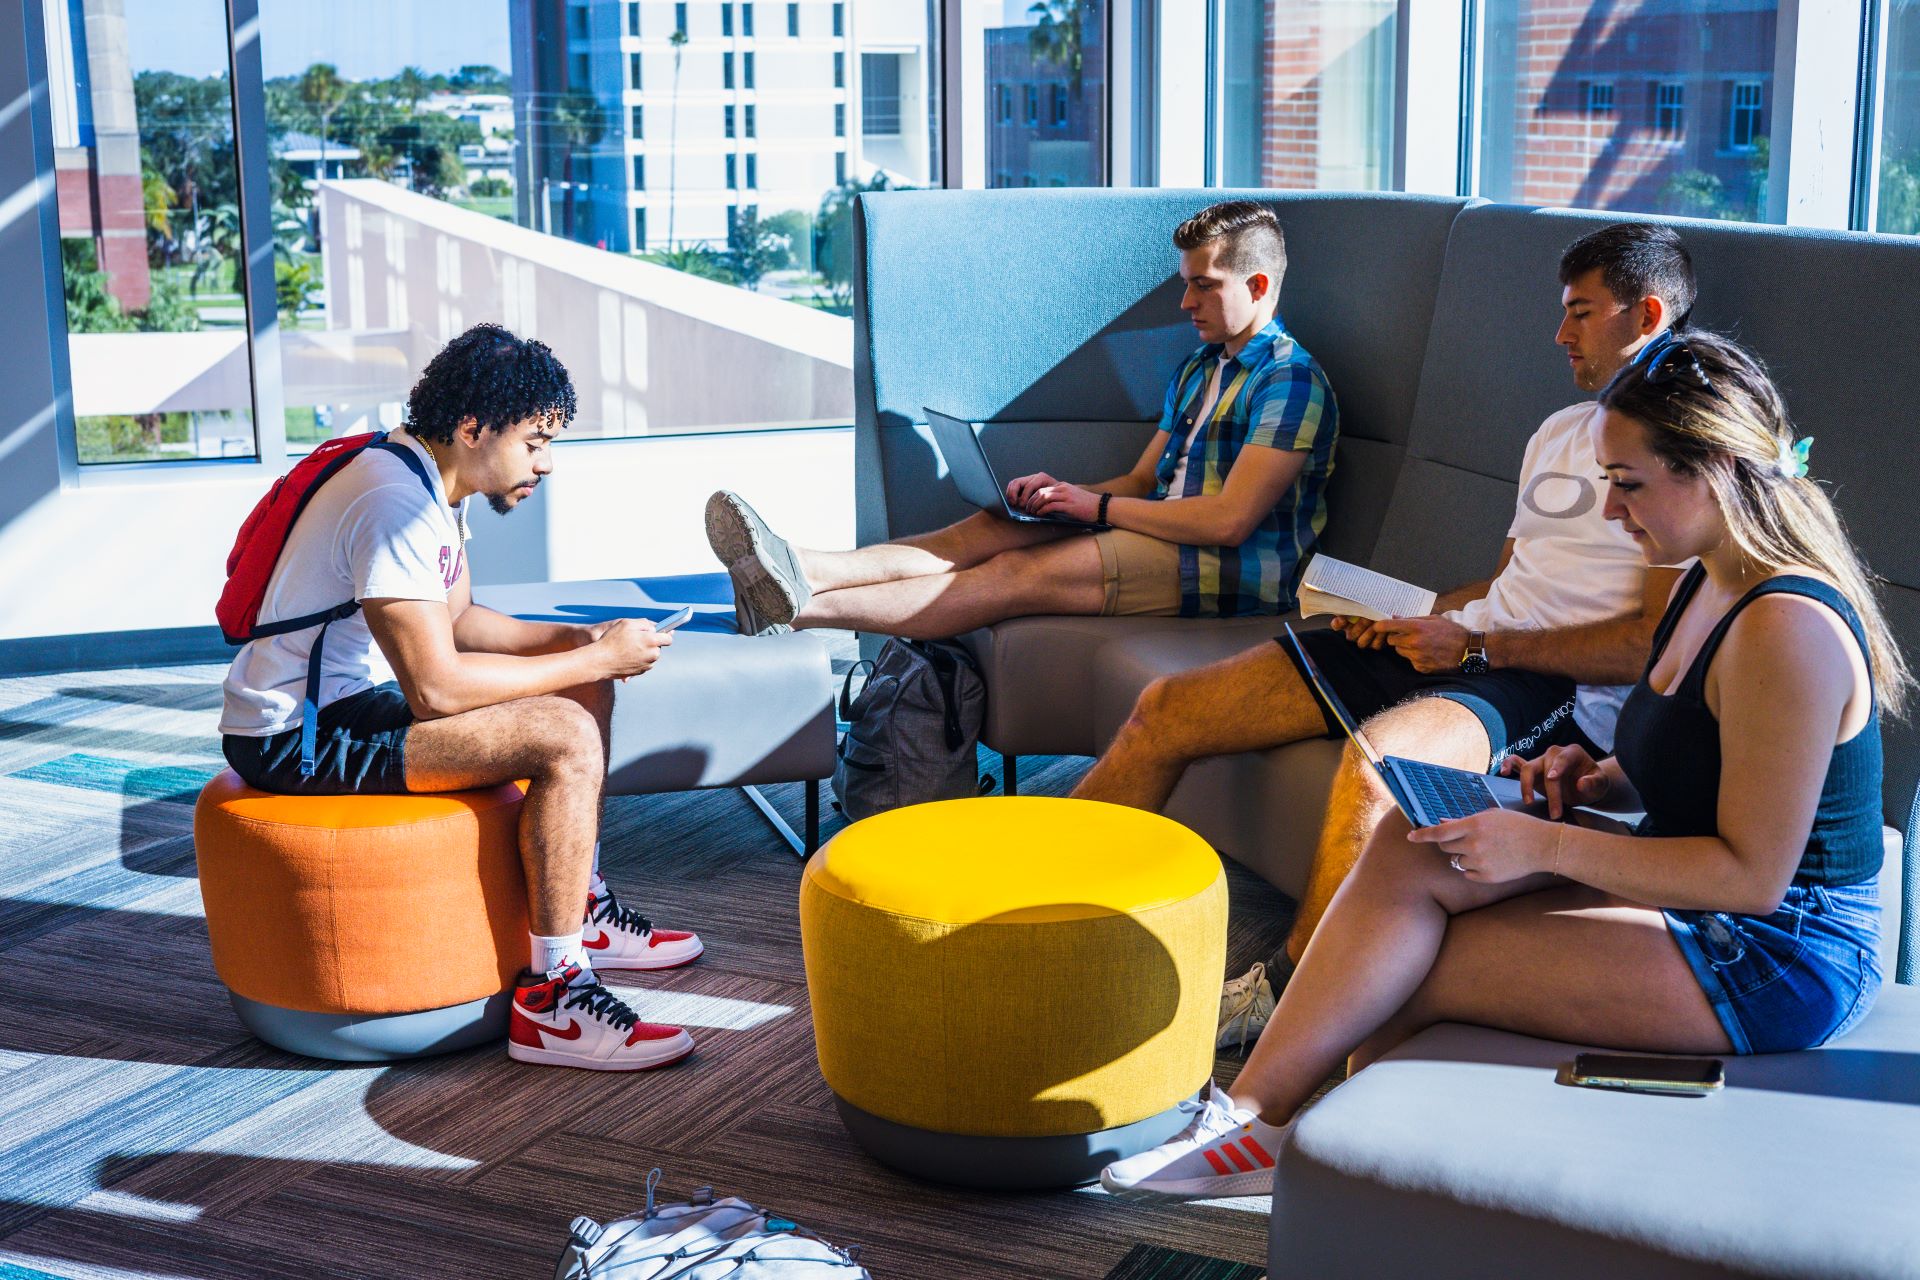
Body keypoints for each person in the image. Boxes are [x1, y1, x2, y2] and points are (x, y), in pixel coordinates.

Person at [1099, 330, 1910, 1200]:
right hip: (1705, 887)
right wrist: (1604, 778)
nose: (1610, 511)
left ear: (1709, 471)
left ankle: (1319, 1183)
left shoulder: (1786, 629)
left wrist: (1544, 848)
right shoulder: (1704, 576)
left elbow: (1752, 878)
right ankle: (1255, 1121)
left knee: (1409, 973)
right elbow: (1706, 751)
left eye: (1628, 485)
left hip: (1780, 952)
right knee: (1414, 846)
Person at [1075, 223, 1698, 1045]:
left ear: (1645, 314)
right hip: (1474, 640)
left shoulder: (1686, 458)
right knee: (1169, 710)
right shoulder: (1557, 433)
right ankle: (1050, 912)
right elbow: (1511, 583)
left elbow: (1647, 645)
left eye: (1580, 313)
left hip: (1557, 688)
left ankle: (1292, 1003)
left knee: (1376, 772)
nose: (1560, 334)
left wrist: (1473, 649)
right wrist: (1421, 615)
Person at [218, 324, 705, 1073]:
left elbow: (462, 622)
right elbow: (437, 686)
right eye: (535, 442)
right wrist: (593, 656)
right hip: (295, 739)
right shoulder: (392, 502)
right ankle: (552, 998)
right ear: (473, 427)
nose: (545, 464)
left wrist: (583, 646)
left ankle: (578, 907)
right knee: (565, 734)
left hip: (341, 710)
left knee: (584, 680)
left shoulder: (431, 480)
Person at [704, 200, 1337, 638]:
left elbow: (1229, 524)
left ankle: (793, 610)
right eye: (1186, 283)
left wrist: (1096, 511)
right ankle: (805, 566)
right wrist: (1067, 496)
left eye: (1204, 285)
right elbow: (1145, 482)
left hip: (1227, 573)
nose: (1185, 300)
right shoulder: (1203, 368)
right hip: (1159, 532)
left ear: (1256, 286)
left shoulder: (1290, 380)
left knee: (1011, 576)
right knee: (988, 528)